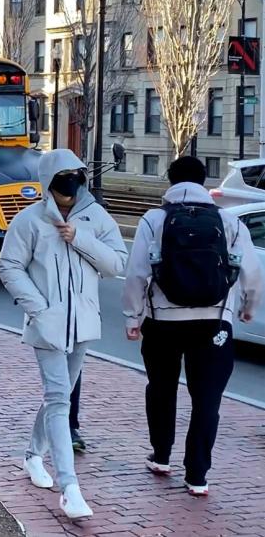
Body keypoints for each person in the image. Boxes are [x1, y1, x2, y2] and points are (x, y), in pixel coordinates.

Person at [0, 149, 128, 522]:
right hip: (47, 326)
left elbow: (116, 264)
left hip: (84, 324)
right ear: (50, 180)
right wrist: (39, 309)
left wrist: (79, 238)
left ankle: (32, 455)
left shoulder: (95, 217)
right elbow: (9, 267)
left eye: (78, 172)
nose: (73, 179)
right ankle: (70, 488)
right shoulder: (29, 221)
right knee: (59, 399)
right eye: (66, 173)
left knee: (60, 394)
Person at [123, 155, 262, 496]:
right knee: (207, 399)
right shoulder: (228, 222)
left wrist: (133, 316)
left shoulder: (154, 219)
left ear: (170, 181)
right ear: (203, 181)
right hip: (213, 323)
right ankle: (197, 475)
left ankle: (161, 456)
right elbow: (251, 271)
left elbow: (137, 271)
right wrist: (247, 307)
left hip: (163, 322)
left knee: (161, 388)